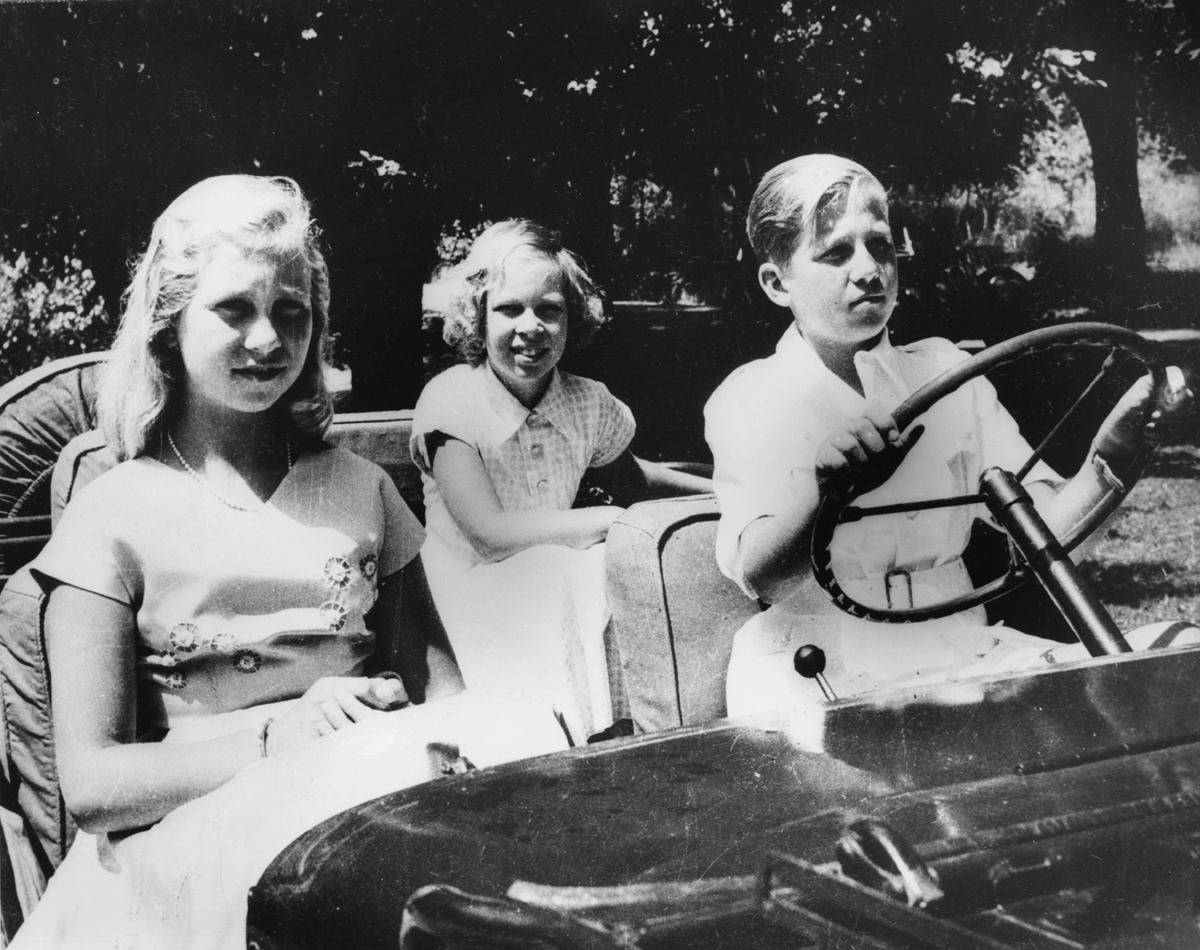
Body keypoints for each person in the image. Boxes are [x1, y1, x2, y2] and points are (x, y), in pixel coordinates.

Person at [11, 177, 567, 950]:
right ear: (169, 324)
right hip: (188, 853)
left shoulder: (361, 488)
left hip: (351, 818)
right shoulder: (113, 512)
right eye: (234, 308)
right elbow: (93, 786)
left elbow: (444, 697)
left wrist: (397, 727)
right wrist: (278, 738)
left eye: (291, 312)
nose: (268, 339)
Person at [706, 154, 1189, 716]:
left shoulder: (945, 373)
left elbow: (1044, 533)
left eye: (880, 245)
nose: (868, 270)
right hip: (819, 678)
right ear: (776, 281)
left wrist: (1112, 459)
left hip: (964, 656)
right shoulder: (752, 396)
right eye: (836, 252)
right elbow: (761, 574)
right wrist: (829, 491)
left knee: (1180, 650)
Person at [412, 220, 709, 744]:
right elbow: (488, 535)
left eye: (549, 309)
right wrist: (606, 520)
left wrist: (721, 493)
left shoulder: (586, 400)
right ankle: (556, 744)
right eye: (508, 309)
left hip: (558, 596)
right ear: (477, 317)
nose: (531, 327)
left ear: (573, 318)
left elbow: (635, 479)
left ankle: (636, 734)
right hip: (466, 601)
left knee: (607, 570)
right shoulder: (453, 398)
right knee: (565, 569)